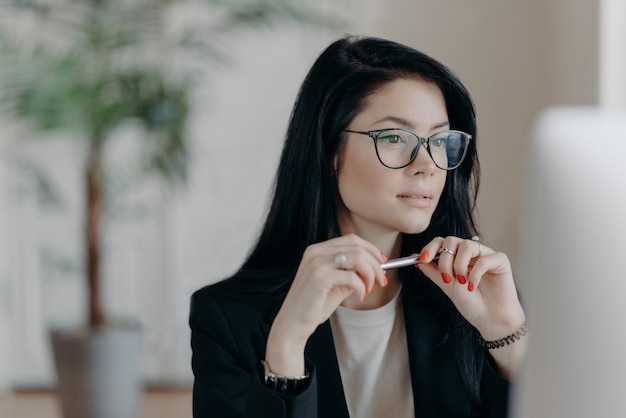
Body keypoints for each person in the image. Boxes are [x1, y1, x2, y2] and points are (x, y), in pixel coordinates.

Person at [189, 35, 527, 418]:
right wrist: (286, 346)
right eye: (395, 137)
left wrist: (505, 335)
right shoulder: (228, 317)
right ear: (330, 152)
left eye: (440, 139)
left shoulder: (475, 297)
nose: (428, 164)